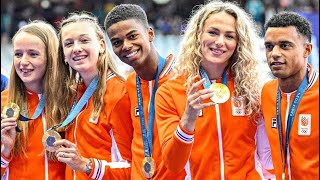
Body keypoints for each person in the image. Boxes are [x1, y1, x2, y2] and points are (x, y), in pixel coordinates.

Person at [155, 1, 272, 179]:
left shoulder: (253, 89)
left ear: (239, 43)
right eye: (213, 32)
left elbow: (268, 157)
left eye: (230, 36)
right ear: (198, 35)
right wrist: (189, 117)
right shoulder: (170, 92)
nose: (220, 42)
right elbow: (173, 164)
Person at [104, 4, 187, 179]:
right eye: (117, 42)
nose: (126, 46)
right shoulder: (129, 84)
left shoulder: (183, 78)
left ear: (150, 34)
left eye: (132, 36)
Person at [52, 12, 131, 180]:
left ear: (102, 45)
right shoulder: (72, 95)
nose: (76, 48)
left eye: (84, 40)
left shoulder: (121, 93)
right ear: (64, 56)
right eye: (69, 43)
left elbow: (132, 167)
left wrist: (85, 165)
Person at [1, 20, 65, 179]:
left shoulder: (71, 100)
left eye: (33, 54)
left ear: (51, 57)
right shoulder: (3, 103)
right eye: (18, 54)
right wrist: (5, 151)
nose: (23, 62)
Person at [262, 12, 319, 179]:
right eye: (269, 46)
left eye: (284, 45)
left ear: (306, 50)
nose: (274, 53)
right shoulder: (266, 92)